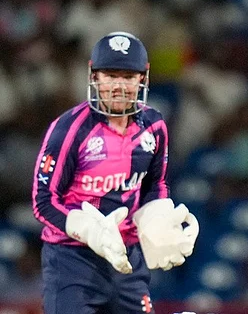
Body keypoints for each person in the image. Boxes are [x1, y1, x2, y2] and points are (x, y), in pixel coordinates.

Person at [31, 31, 199, 314]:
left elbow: (154, 184)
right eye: (110, 75)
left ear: (143, 77)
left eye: (128, 76)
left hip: (127, 258)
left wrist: (157, 216)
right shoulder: (70, 129)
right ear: (94, 76)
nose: (119, 86)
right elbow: (43, 200)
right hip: (72, 260)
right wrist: (87, 229)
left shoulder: (155, 126)